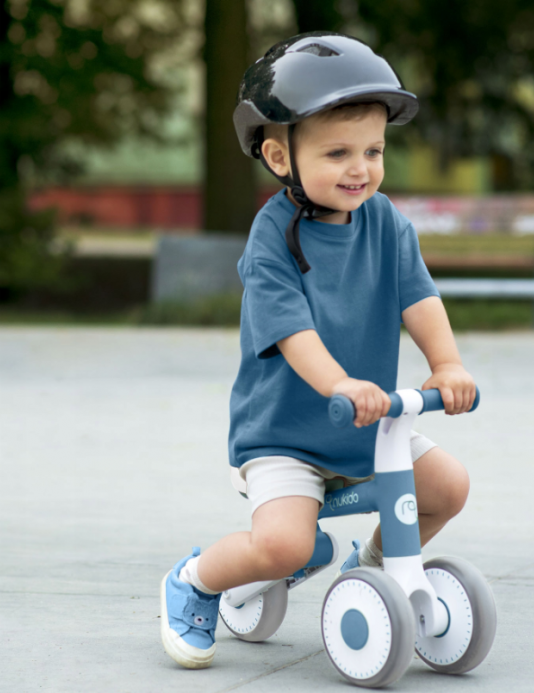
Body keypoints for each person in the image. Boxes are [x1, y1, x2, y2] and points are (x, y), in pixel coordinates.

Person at [160, 31, 477, 670]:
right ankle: (194, 582)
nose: (361, 168)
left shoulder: (386, 222)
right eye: (337, 152)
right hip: (285, 433)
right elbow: (292, 332)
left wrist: (446, 364)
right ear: (280, 156)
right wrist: (338, 384)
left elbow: (419, 299)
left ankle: (376, 572)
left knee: (447, 487)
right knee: (279, 548)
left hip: (367, 424)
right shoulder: (273, 236)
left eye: (373, 150)